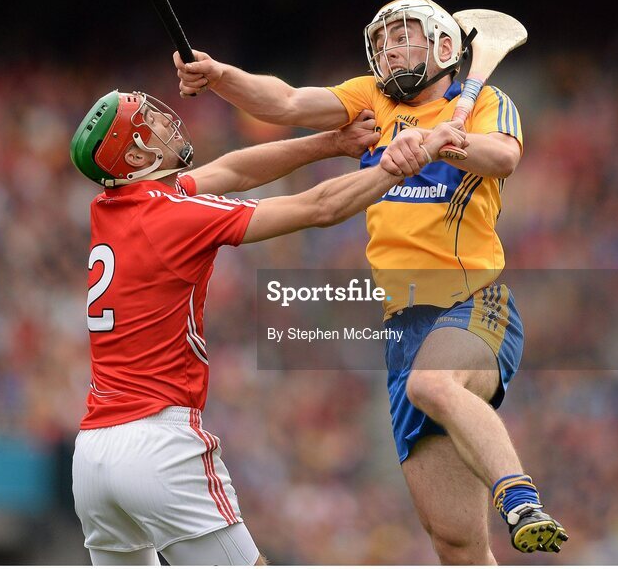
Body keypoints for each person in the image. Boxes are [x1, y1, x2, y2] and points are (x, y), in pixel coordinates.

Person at [174, 0, 568, 562]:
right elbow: (284, 102)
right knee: (455, 543)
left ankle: (522, 500)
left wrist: (440, 141)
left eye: (404, 36)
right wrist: (219, 77)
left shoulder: (485, 101)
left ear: (445, 47)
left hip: (472, 303)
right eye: (382, 40)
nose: (389, 48)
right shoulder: (373, 99)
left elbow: (502, 157)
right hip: (402, 327)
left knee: (432, 385)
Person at [68, 88, 451, 566]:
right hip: (156, 442)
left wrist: (330, 143)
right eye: (150, 124)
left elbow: (233, 171)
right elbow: (320, 208)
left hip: (92, 456)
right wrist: (399, 166)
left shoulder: (114, 206)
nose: (167, 124)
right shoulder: (174, 216)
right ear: (135, 154)